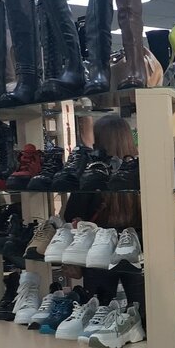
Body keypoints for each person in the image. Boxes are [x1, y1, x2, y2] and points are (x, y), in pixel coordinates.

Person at [61, 114, 146, 323]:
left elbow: (71, 214)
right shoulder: (142, 171)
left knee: (98, 313)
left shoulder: (93, 175)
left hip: (99, 248)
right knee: (145, 312)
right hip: (138, 246)